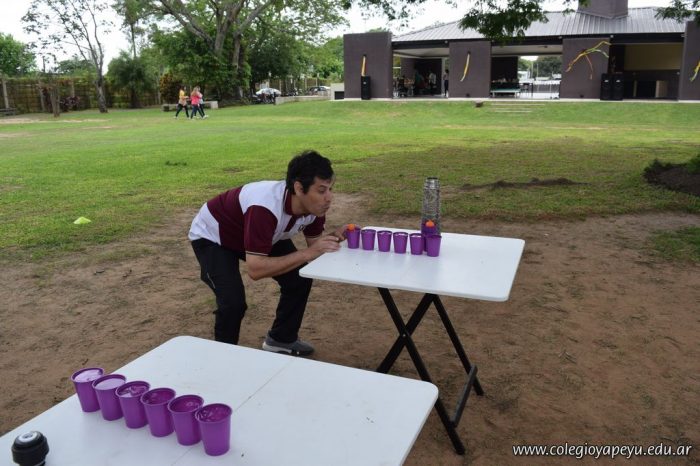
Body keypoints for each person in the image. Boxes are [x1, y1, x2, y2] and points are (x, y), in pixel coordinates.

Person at [189, 150, 344, 355]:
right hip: (214, 236)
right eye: (322, 190)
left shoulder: (314, 209)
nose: (329, 198)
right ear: (299, 188)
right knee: (233, 303)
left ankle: (281, 340)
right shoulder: (264, 207)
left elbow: (315, 247)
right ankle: (223, 358)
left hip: (260, 233)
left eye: (330, 189)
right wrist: (307, 253)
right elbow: (256, 270)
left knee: (299, 279)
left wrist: (336, 238)